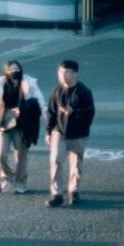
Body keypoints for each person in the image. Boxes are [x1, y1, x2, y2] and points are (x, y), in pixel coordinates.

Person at [0, 60, 44, 195]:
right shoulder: (0, 85)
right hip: (4, 123)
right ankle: (7, 176)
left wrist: (23, 110)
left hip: (22, 125)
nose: (14, 71)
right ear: (5, 72)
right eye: (11, 69)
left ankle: (21, 183)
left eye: (16, 68)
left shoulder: (29, 83)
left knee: (21, 157)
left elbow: (38, 103)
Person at [44, 59, 95, 207]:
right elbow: (51, 112)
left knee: (76, 163)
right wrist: (48, 131)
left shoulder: (83, 91)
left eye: (66, 73)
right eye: (60, 72)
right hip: (59, 131)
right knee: (56, 160)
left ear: (75, 74)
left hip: (78, 133)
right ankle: (57, 193)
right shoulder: (57, 91)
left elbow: (90, 113)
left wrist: (75, 113)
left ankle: (74, 191)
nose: (62, 76)